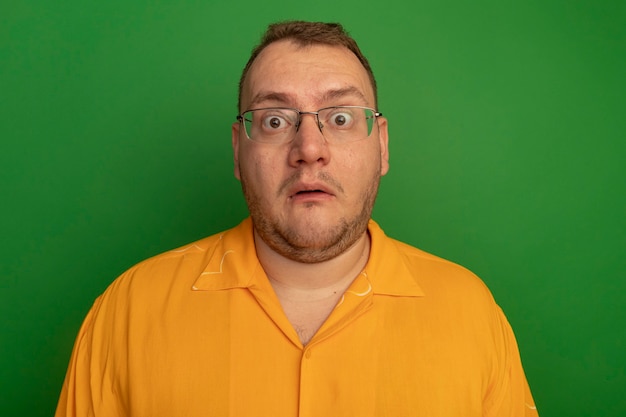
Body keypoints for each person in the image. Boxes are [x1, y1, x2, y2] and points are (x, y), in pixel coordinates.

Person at [55, 20, 539, 416]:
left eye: (341, 118)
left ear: (383, 145)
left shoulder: (472, 315)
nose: (309, 150)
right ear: (237, 150)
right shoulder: (128, 311)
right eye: (274, 121)